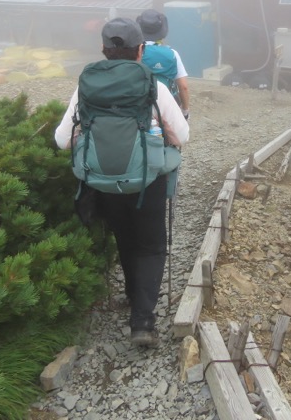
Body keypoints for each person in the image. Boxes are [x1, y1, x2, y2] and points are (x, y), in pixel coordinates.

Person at [55, 18, 190, 347]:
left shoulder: (85, 87)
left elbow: (62, 140)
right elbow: (181, 136)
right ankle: (142, 320)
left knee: (126, 241)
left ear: (104, 50)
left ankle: (133, 295)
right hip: (148, 182)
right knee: (152, 245)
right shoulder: (153, 86)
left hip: (102, 181)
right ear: (140, 50)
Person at [137, 9, 191, 120]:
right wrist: (185, 110)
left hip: (141, 105)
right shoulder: (172, 54)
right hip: (168, 104)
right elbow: (183, 87)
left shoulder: (134, 53)